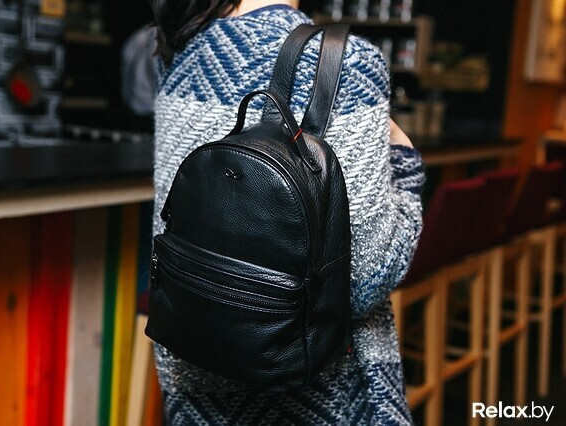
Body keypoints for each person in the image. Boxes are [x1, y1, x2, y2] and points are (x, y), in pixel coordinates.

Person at [149, 0, 425, 424]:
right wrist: (405, 165)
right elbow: (364, 279)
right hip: (324, 403)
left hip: (194, 386)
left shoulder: (181, 51)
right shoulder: (346, 61)